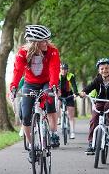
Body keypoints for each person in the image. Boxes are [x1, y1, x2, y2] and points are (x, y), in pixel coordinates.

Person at [9, 25, 61, 154]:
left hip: (47, 81)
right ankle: (32, 145)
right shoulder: (22, 53)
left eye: (46, 40)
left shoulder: (52, 50)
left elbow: (54, 68)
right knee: (26, 115)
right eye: (42, 41)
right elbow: (18, 71)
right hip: (30, 83)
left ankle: (53, 132)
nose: (46, 43)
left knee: (50, 102)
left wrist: (54, 85)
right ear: (34, 43)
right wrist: (14, 87)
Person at [79, 58, 109, 155]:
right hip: (100, 100)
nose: (104, 70)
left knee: (107, 107)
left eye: (107, 68)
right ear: (99, 70)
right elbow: (89, 87)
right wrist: (83, 92)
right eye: (102, 69)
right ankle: (91, 143)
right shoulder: (97, 79)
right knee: (94, 119)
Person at [58, 62, 79, 139]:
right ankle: (59, 118)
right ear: (60, 69)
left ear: (67, 70)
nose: (63, 71)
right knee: (57, 105)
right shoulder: (57, 76)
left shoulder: (71, 76)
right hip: (60, 94)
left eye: (65, 69)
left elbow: (74, 85)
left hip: (69, 95)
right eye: (62, 69)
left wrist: (76, 93)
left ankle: (72, 132)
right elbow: (55, 85)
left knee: (71, 114)